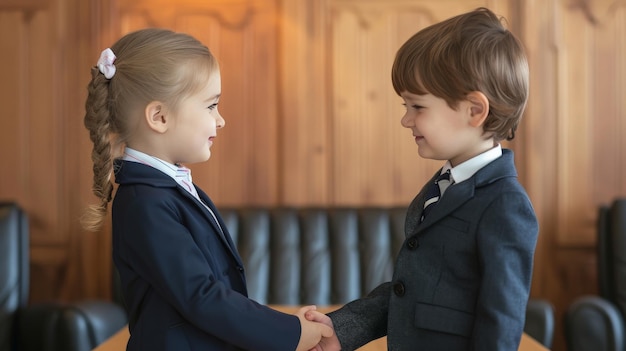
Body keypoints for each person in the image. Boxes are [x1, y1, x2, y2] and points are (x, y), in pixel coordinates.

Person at [81, 28, 332, 351]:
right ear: (159, 117)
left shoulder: (166, 190)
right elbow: (201, 296)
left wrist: (286, 327)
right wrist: (290, 332)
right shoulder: (145, 202)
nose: (221, 120)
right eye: (211, 106)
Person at [306, 7, 539, 351]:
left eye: (417, 107)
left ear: (474, 110)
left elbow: (500, 324)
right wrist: (342, 329)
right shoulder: (442, 187)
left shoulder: (506, 206)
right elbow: (412, 291)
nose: (405, 120)